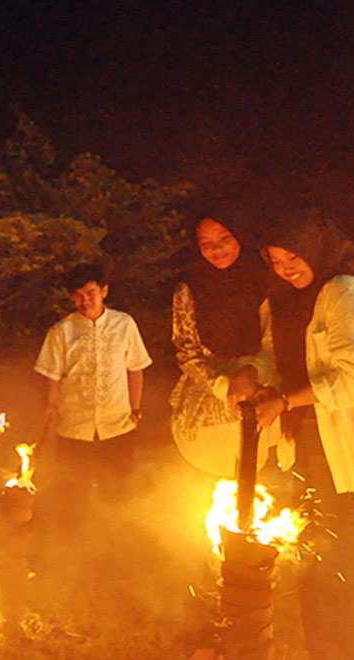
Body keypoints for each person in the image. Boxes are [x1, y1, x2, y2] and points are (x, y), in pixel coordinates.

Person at [248, 204, 354, 660]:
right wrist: (255, 378)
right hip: (301, 449)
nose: (287, 268)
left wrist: (285, 401)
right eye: (277, 260)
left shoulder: (348, 295)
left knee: (351, 571)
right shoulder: (282, 301)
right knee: (316, 568)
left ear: (318, 247)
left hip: (343, 452)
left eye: (294, 256)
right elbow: (271, 356)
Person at [33, 262, 152, 520]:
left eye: (91, 292)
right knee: (72, 493)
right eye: (78, 295)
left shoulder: (124, 324)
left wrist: (135, 409)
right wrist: (51, 407)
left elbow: (135, 368)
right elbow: (52, 376)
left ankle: (117, 545)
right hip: (74, 426)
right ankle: (74, 549)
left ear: (104, 291)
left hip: (117, 425)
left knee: (117, 492)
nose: (85, 300)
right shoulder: (61, 331)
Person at [169, 201, 272, 476]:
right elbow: (186, 351)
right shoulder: (189, 288)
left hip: (260, 395)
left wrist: (252, 374)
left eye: (224, 239)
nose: (216, 250)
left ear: (240, 235)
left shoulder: (265, 281)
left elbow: (273, 340)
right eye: (206, 243)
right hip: (205, 405)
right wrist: (223, 386)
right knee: (202, 492)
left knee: (258, 483)